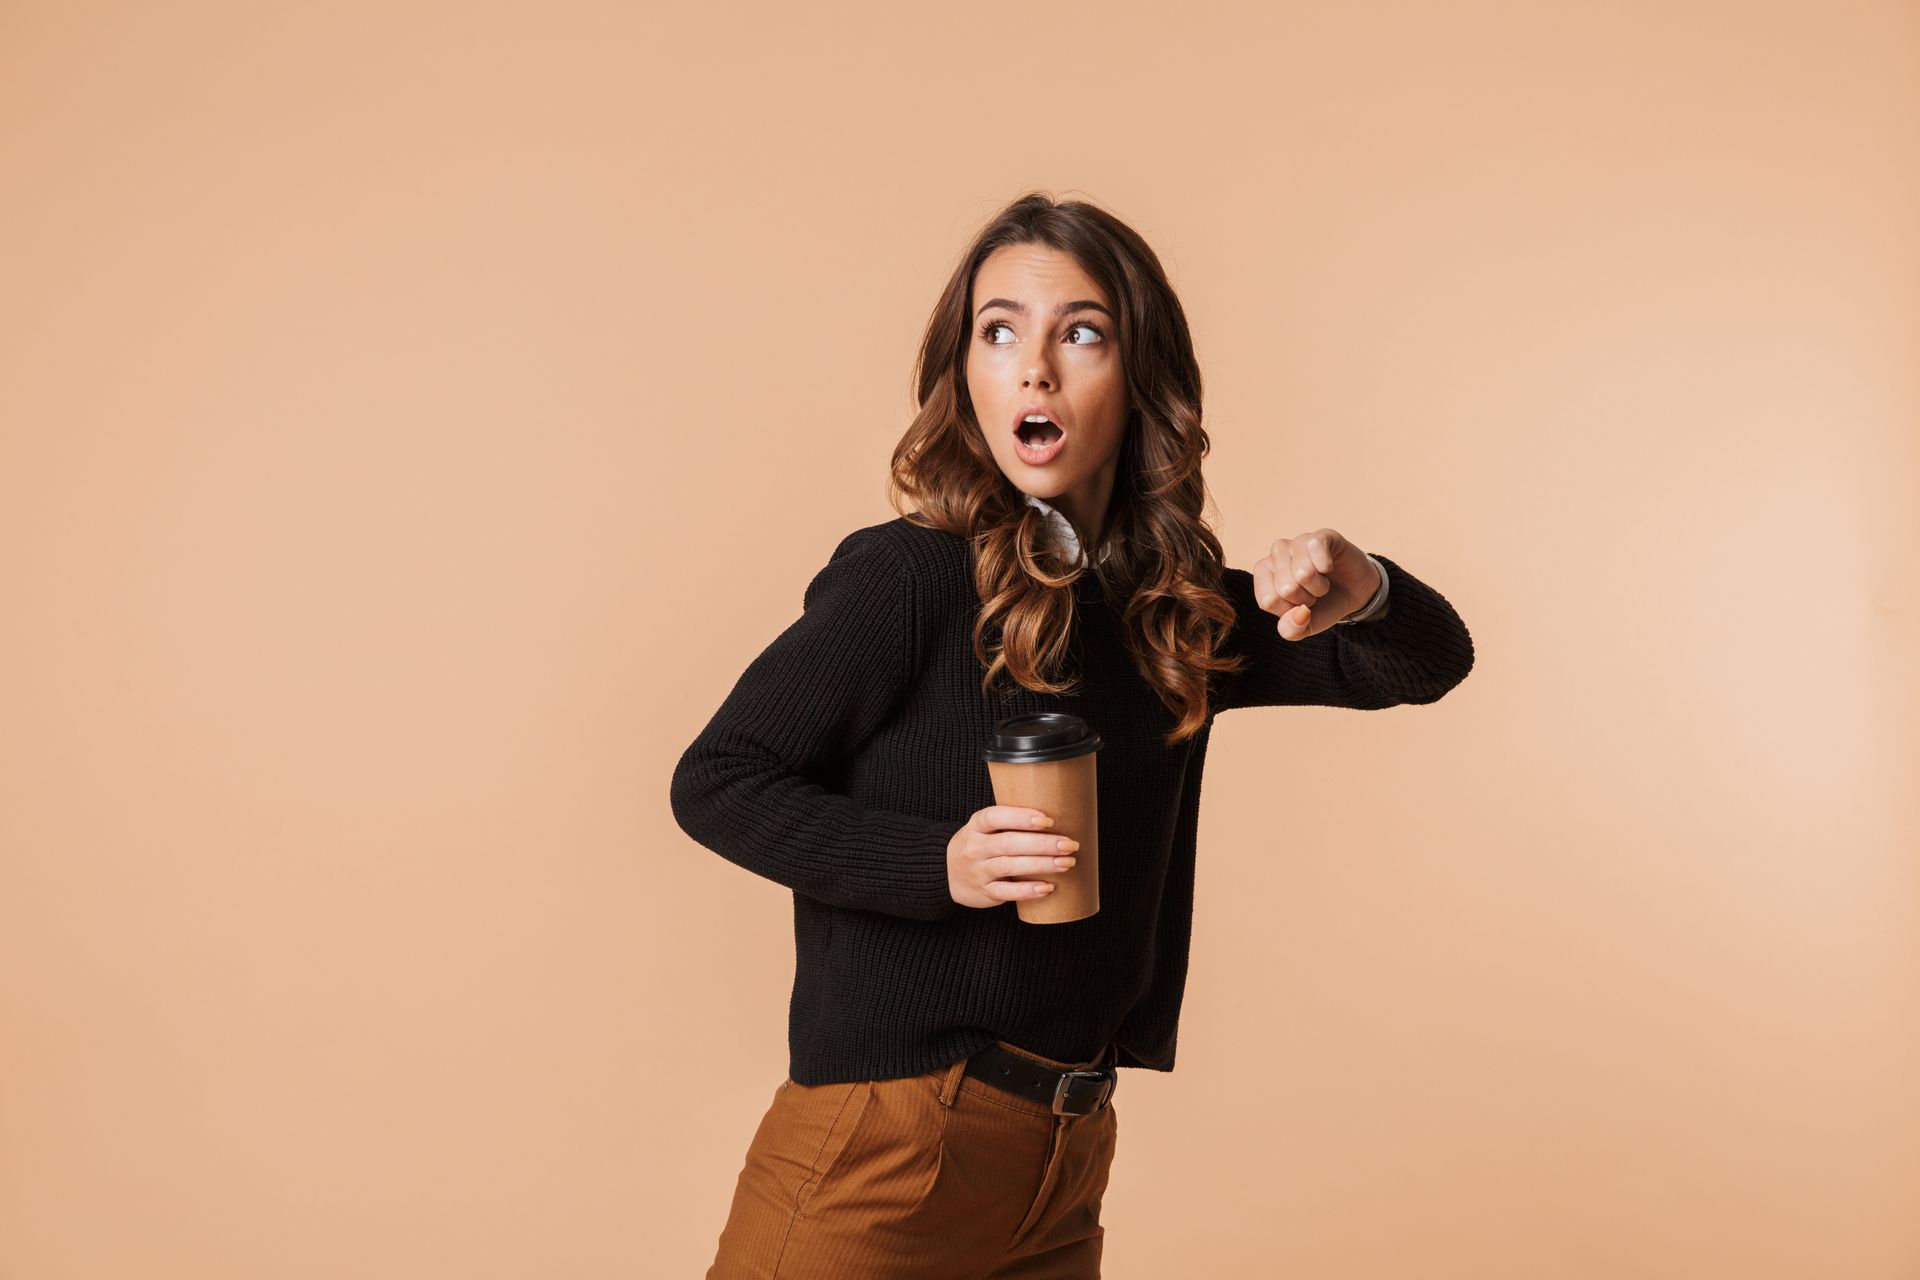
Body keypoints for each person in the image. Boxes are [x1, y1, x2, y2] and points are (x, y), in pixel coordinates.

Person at [669, 192, 1476, 1279]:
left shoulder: (1169, 608)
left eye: (1080, 331)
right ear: (966, 372)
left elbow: (1422, 664)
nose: (1033, 367)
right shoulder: (908, 577)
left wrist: (1361, 581)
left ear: (1142, 376)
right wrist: (937, 862)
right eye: (998, 331)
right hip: (888, 1148)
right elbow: (718, 777)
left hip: (1062, 1155)